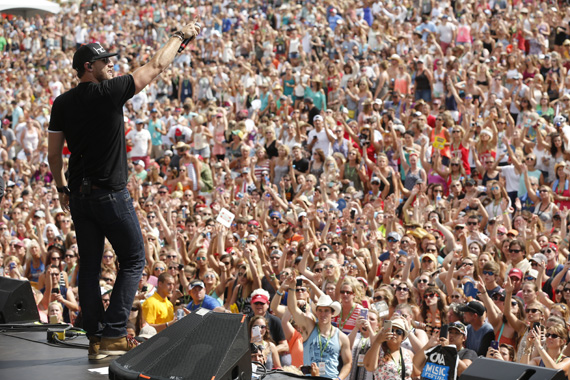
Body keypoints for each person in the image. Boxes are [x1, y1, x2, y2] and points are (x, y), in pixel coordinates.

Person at [47, 23, 201, 359]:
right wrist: (180, 36)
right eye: (105, 62)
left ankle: (94, 339)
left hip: (79, 196)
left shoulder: (61, 103)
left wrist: (61, 186)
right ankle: (115, 334)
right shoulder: (109, 92)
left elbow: (54, 154)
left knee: (88, 266)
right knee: (133, 259)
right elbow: (156, 67)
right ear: (89, 67)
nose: (111, 66)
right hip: (111, 194)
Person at [286, 274, 352, 380]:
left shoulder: (342, 337)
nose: (322, 314)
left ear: (332, 313)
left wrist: (339, 379)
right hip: (309, 377)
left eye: (326, 310)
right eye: (320, 310)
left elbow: (348, 363)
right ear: (316, 312)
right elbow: (293, 309)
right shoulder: (310, 326)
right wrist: (292, 287)